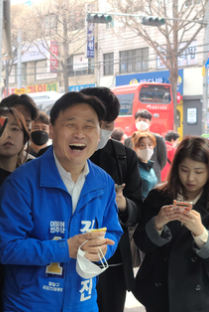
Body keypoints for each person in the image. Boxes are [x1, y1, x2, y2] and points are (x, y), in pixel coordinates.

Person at [0, 92, 123, 311]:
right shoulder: (22, 183)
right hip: (28, 306)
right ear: (51, 129)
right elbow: (6, 247)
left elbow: (113, 232)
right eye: (70, 125)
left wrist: (101, 248)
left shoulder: (104, 183)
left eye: (89, 126)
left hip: (83, 304)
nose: (80, 134)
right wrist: (65, 249)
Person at [133, 137, 209, 312]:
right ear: (176, 169)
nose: (190, 178)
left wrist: (201, 233)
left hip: (202, 297)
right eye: (184, 170)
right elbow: (141, 243)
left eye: (198, 171)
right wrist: (157, 223)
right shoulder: (158, 197)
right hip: (160, 292)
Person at [81, 87, 143, 312]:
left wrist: (123, 204)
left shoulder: (124, 156)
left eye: (109, 125)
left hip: (111, 261)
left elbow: (139, 208)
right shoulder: (56, 154)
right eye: (99, 123)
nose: (103, 131)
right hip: (65, 258)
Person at [0, 107, 30, 311]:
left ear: (25, 136)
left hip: (24, 264)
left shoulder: (33, 175)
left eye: (16, 129)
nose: (9, 135)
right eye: (2, 128)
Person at [124, 109, 167, 180]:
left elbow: (163, 160)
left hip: (153, 175)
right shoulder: (128, 140)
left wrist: (154, 168)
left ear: (150, 122)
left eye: (144, 120)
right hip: (134, 176)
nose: (141, 122)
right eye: (139, 120)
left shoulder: (158, 139)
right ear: (135, 121)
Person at [131, 131, 159, 199]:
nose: (147, 148)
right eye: (142, 145)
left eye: (150, 145)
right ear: (135, 148)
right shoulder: (133, 168)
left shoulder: (150, 167)